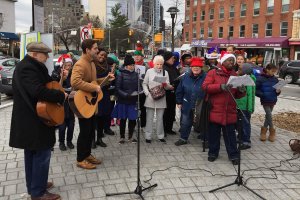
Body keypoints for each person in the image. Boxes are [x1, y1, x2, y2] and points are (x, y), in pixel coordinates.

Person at [10, 42, 66, 200]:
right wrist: (60, 96)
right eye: (45, 54)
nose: (48, 57)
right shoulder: (28, 67)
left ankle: (35, 184)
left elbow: (46, 83)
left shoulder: (31, 66)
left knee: (32, 153)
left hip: (33, 118)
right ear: (34, 54)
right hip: (33, 119)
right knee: (41, 154)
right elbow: (38, 91)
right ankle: (38, 192)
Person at [202, 52, 246, 165]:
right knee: (214, 135)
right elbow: (205, 87)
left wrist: (241, 91)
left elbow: (237, 95)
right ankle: (213, 153)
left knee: (230, 136)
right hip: (215, 110)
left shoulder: (235, 75)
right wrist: (220, 87)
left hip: (229, 111)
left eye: (233, 61)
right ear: (222, 62)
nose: (231, 62)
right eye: (229, 60)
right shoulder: (213, 73)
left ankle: (233, 155)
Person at [71, 39, 103, 169]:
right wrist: (94, 88)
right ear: (87, 50)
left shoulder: (91, 63)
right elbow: (75, 82)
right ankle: (80, 159)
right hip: (83, 103)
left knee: (90, 131)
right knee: (84, 131)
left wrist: (104, 80)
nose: (97, 50)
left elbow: (93, 82)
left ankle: (87, 154)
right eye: (95, 48)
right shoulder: (80, 64)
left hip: (91, 103)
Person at [175, 57, 206, 146]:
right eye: (194, 66)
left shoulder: (206, 77)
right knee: (185, 122)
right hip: (187, 102)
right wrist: (179, 101)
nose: (196, 68)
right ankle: (183, 138)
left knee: (202, 122)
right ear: (191, 67)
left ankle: (205, 138)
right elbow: (179, 90)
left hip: (201, 104)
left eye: (198, 66)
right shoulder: (185, 77)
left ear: (201, 68)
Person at [143, 55, 173, 143]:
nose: (159, 66)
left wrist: (166, 85)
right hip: (150, 98)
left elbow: (167, 87)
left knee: (160, 118)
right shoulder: (149, 71)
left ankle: (160, 136)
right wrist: (147, 93)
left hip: (161, 97)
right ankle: (148, 136)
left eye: (161, 64)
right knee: (149, 118)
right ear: (154, 64)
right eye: (157, 64)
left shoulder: (165, 73)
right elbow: (144, 83)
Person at [111, 55, 140, 144]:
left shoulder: (136, 74)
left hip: (133, 101)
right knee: (123, 119)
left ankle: (131, 136)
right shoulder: (120, 74)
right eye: (130, 65)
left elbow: (139, 86)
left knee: (132, 119)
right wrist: (126, 95)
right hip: (123, 100)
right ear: (126, 66)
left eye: (133, 65)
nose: (132, 66)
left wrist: (139, 91)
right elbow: (118, 88)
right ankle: (122, 136)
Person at [51, 54, 75, 151]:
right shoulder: (56, 74)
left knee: (71, 124)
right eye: (66, 65)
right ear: (62, 65)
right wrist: (62, 77)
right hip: (61, 103)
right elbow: (55, 86)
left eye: (70, 65)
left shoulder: (72, 73)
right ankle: (61, 142)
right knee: (62, 124)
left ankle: (69, 141)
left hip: (71, 101)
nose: (68, 67)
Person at [93, 47, 115, 149]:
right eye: (101, 55)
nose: (102, 57)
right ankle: (92, 140)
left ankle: (99, 138)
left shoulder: (107, 66)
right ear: (97, 54)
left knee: (102, 116)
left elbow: (109, 82)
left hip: (104, 93)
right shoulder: (92, 65)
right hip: (93, 94)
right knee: (94, 117)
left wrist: (110, 79)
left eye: (104, 56)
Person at [256, 63, 281, 142]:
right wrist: (262, 95)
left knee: (268, 116)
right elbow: (255, 90)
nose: (273, 73)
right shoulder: (260, 78)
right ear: (267, 70)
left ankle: (263, 132)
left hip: (273, 99)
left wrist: (278, 91)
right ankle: (272, 131)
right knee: (269, 114)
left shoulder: (275, 79)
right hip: (265, 99)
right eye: (272, 71)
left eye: (275, 72)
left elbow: (277, 91)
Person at [236, 63, 256, 150]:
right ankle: (240, 137)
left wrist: (250, 108)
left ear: (245, 71)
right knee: (239, 123)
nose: (238, 70)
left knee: (245, 124)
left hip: (245, 107)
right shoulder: (240, 78)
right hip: (238, 105)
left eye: (240, 69)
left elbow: (250, 95)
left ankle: (246, 141)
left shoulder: (249, 80)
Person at [163, 51, 179, 135]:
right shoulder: (164, 68)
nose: (174, 59)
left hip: (173, 92)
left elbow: (177, 76)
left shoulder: (173, 67)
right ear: (168, 58)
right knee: (166, 112)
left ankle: (169, 128)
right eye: (172, 58)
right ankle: (164, 129)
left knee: (172, 111)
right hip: (166, 93)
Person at [134, 50, 148, 130]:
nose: (136, 57)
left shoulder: (146, 66)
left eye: (138, 55)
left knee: (143, 108)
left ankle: (143, 125)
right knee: (134, 108)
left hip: (143, 90)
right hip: (134, 90)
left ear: (142, 57)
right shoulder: (132, 65)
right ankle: (134, 123)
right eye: (135, 55)